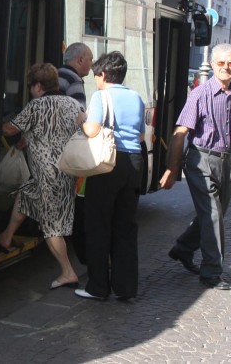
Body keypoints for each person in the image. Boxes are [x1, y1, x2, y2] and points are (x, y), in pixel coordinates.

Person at [159, 44, 231, 291]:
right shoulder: (199, 95)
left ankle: (183, 249)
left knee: (215, 214)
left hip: (225, 160)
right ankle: (211, 273)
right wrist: (172, 169)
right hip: (200, 160)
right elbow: (180, 133)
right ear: (213, 65)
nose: (226, 68)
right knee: (213, 215)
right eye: (222, 63)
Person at [0, 63, 84, 290]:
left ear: (37, 86)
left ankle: (67, 272)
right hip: (67, 173)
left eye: (30, 86)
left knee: (51, 228)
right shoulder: (73, 104)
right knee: (25, 195)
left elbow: (9, 130)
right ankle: (6, 237)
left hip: (48, 176)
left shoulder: (36, 106)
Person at [74, 51, 145, 301]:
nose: (95, 80)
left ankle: (98, 287)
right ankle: (126, 288)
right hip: (135, 163)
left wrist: (82, 120)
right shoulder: (137, 97)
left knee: (98, 225)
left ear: (103, 74)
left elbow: (92, 130)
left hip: (109, 163)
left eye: (96, 75)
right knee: (125, 227)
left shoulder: (101, 96)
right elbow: (141, 136)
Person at [58, 42, 93, 266]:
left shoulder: (58, 74)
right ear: (80, 60)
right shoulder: (75, 81)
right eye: (89, 58)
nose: (91, 63)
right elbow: (80, 118)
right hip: (64, 150)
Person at [58, 42, 93, 112]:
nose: (92, 63)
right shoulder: (74, 80)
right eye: (90, 59)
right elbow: (79, 115)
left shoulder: (56, 73)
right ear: (80, 60)